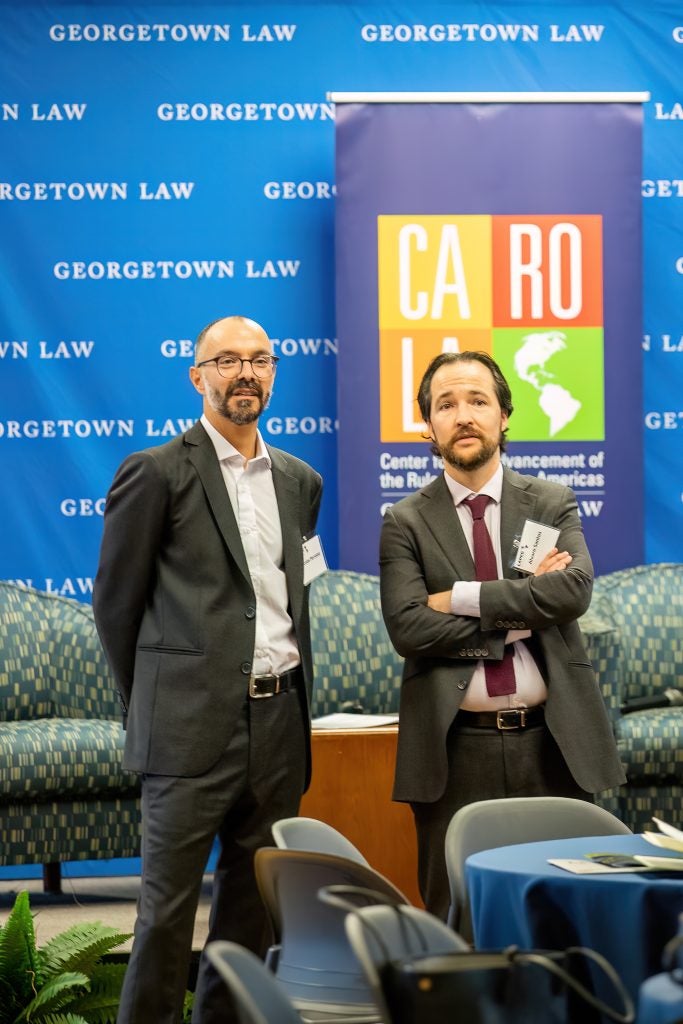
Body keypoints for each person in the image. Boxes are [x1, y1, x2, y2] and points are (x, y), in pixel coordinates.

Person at [93, 315, 323, 1023]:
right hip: (188, 726)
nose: (244, 373)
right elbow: (114, 605)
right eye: (226, 361)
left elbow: (292, 595)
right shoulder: (157, 471)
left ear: (274, 374)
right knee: (164, 916)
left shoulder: (298, 480)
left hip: (279, 724)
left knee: (253, 912)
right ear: (198, 377)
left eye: (259, 360)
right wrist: (157, 701)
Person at [379, 350, 625, 921]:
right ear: (428, 426)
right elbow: (409, 627)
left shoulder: (551, 502)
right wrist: (520, 617)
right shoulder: (405, 522)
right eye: (446, 404)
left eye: (477, 400)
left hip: (554, 742)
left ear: (504, 415)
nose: (463, 415)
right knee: (461, 919)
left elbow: (572, 593)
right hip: (455, 750)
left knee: (571, 918)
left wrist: (464, 598)